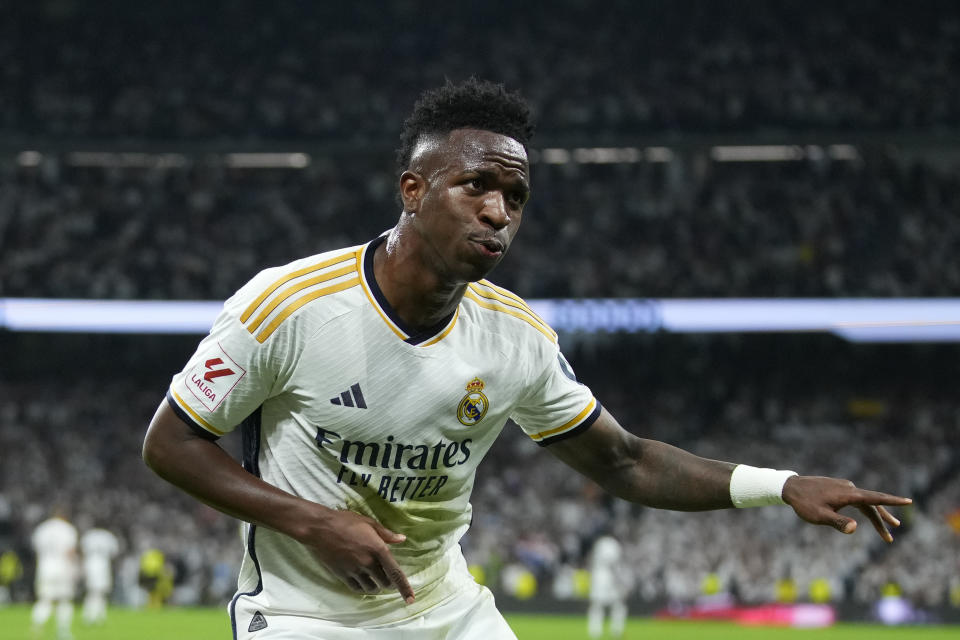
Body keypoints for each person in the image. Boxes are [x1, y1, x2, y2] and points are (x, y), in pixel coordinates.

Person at [142, 78, 912, 639]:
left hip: (445, 611)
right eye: (476, 185)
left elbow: (626, 461)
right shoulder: (290, 304)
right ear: (413, 189)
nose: (498, 212)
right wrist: (314, 523)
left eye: (516, 197)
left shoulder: (518, 337)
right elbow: (169, 444)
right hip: (305, 614)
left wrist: (780, 485)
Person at [31, 510, 79, 640]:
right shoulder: (67, 529)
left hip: (45, 569)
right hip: (62, 568)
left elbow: (36, 550)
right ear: (64, 517)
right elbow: (69, 551)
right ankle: (63, 632)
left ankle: (37, 625)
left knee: (45, 600)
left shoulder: (42, 529)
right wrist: (75, 568)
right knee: (64, 601)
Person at [587, 533, 628, 638]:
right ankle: (617, 631)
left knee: (596, 606)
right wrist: (619, 580)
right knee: (618, 605)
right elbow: (612, 563)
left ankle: (595, 632)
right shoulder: (613, 544)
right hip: (610, 577)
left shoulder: (599, 543)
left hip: (598, 576)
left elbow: (592, 559)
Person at [79, 525, 120, 624]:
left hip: (90, 565)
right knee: (99, 592)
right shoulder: (108, 536)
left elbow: (82, 550)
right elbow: (114, 553)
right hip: (103, 565)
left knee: (93, 592)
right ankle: (94, 616)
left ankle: (94, 616)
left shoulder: (89, 535)